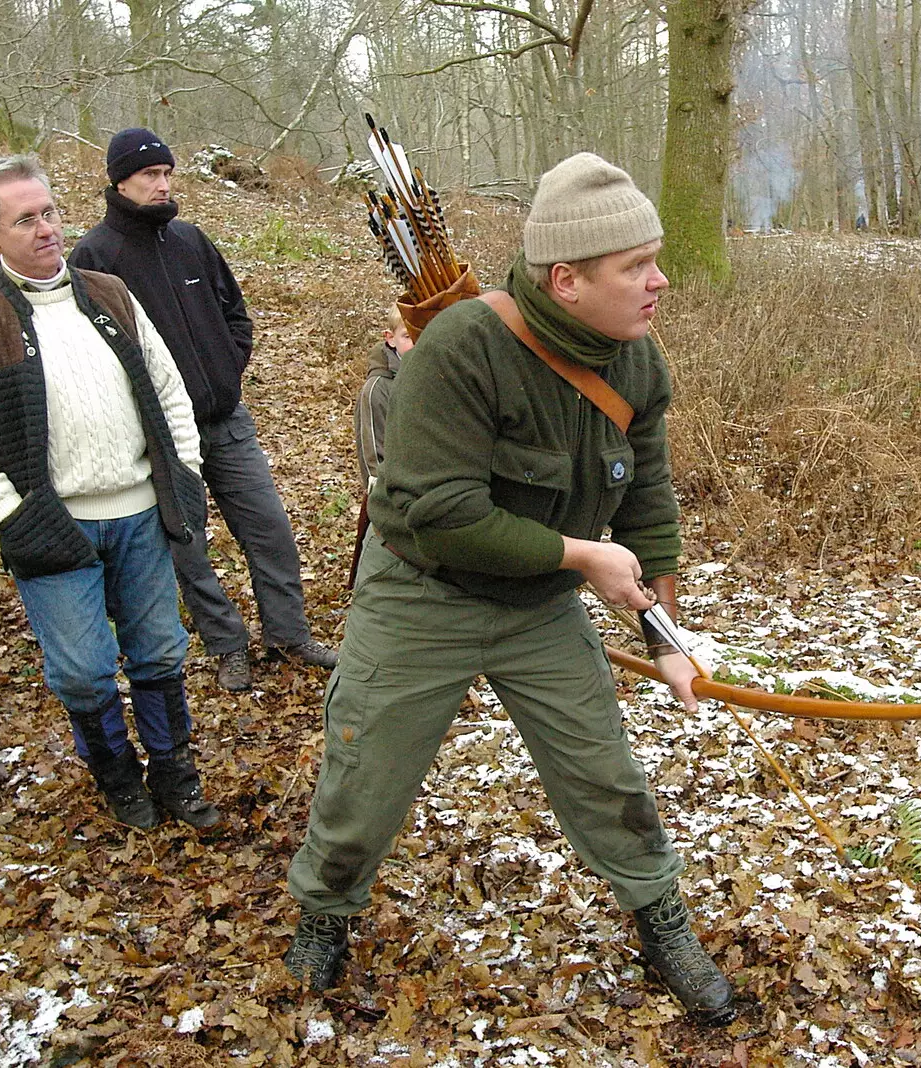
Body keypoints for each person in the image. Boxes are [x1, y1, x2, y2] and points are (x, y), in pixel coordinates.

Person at [281, 153, 736, 1024]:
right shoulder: (462, 349)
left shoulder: (636, 363)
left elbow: (646, 497)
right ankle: (325, 913)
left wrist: (669, 643)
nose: (660, 281)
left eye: (656, 257)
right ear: (566, 280)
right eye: (636, 266)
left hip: (537, 607)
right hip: (422, 594)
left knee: (605, 772)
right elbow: (440, 514)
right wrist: (583, 558)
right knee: (364, 776)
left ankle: (660, 917)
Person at [0, 154, 221, 829]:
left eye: (50, 212)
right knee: (84, 673)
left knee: (161, 653)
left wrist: (187, 472)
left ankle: (175, 775)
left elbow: (169, 392)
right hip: (55, 530)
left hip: (142, 512)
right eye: (25, 219)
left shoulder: (110, 295)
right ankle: (118, 781)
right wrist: (11, 512)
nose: (46, 228)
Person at [69, 128, 337, 692]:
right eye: (150, 176)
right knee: (190, 549)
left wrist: (227, 365)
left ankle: (289, 635)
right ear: (120, 181)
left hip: (227, 421)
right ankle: (227, 647)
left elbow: (235, 313)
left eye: (167, 173)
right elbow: (93, 355)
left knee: (269, 531)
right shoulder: (95, 257)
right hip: (163, 435)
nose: (163, 184)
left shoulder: (190, 240)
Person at [353, 306, 413, 496]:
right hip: (396, 498)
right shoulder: (377, 390)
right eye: (407, 336)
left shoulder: (433, 372)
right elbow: (374, 462)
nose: (417, 342)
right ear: (390, 338)